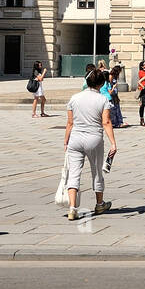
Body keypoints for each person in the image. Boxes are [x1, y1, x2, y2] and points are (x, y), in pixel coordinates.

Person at [62, 67, 116, 221]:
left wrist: (66, 141)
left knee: (73, 173)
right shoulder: (103, 99)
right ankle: (99, 204)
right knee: (97, 171)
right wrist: (113, 143)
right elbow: (106, 122)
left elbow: (70, 123)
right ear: (101, 83)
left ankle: (72, 208)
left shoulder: (74, 98)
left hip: (76, 138)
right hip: (94, 138)